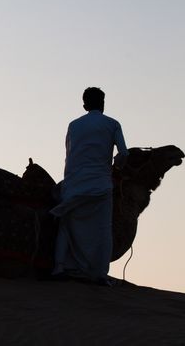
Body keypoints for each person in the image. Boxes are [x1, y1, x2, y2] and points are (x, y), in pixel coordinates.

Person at [50, 87, 128, 285]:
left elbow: (69, 153)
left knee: (66, 224)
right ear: (103, 103)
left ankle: (59, 267)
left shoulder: (73, 125)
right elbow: (124, 154)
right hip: (100, 185)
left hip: (74, 183)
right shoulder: (112, 124)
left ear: (84, 105)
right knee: (103, 230)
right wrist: (116, 165)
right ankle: (100, 274)